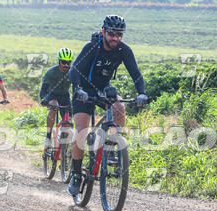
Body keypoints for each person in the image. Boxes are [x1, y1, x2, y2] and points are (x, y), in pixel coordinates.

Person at [67, 15, 148, 196]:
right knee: (81, 132)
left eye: (119, 35)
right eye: (111, 34)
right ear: (103, 32)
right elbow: (74, 70)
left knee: (119, 107)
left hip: (103, 89)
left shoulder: (123, 50)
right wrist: (78, 89)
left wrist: (141, 93)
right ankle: (76, 174)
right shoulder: (91, 48)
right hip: (84, 91)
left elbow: (136, 74)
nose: (115, 38)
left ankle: (111, 146)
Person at [39, 48, 73, 153]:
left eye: (68, 63)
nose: (66, 65)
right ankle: (48, 137)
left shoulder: (72, 72)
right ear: (59, 61)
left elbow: (77, 87)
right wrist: (44, 100)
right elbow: (43, 90)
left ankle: (64, 156)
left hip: (65, 96)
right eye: (63, 62)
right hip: (51, 95)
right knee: (54, 105)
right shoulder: (51, 72)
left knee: (68, 125)